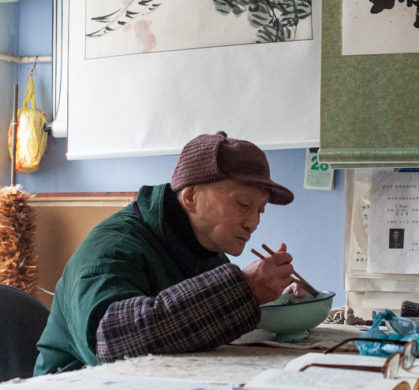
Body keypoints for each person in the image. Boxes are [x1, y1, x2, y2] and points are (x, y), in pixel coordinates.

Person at [34, 132, 298, 375]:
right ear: (191, 197)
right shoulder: (113, 247)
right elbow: (112, 341)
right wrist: (245, 289)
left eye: (261, 210)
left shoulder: (205, 250)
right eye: (243, 204)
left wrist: (270, 300)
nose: (253, 222)